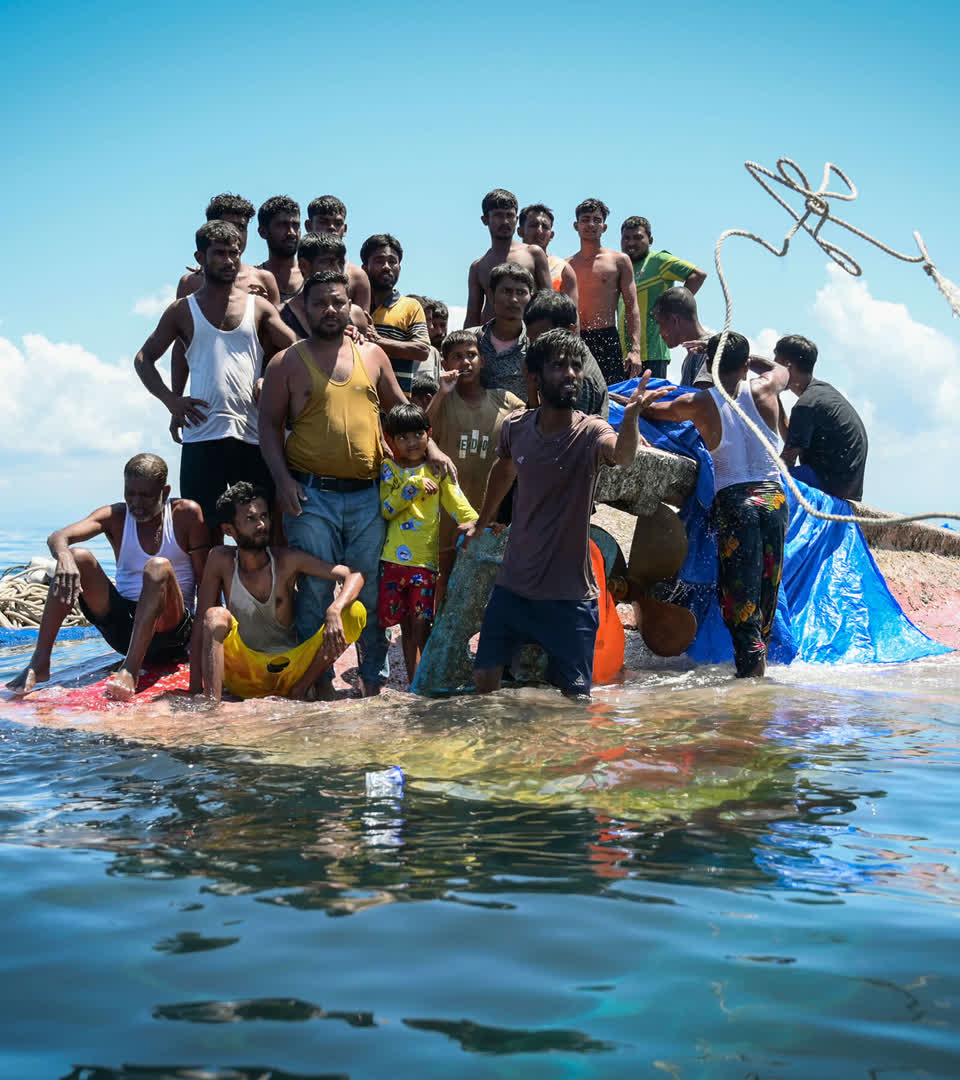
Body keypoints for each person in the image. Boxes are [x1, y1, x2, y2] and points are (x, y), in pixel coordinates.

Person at [257, 270, 456, 697]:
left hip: (369, 496)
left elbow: (404, 413)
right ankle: (320, 683)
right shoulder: (286, 362)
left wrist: (434, 450)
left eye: (337, 302)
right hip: (310, 496)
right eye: (319, 303)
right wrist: (282, 481)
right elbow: (269, 429)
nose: (329, 309)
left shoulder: (374, 356)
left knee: (369, 594)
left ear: (350, 306)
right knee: (313, 593)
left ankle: (373, 683)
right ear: (304, 310)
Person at [461, 330, 660, 697]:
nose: (570, 373)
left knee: (574, 706)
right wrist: (483, 519)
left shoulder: (591, 431)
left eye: (575, 366)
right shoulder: (516, 428)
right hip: (513, 588)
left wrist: (630, 419)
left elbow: (622, 455)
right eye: (558, 366)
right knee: (484, 685)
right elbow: (504, 469)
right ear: (535, 377)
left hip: (569, 597)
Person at [638, 332, 791, 677]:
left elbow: (656, 410)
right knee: (768, 585)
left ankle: (749, 675)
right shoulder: (766, 388)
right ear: (745, 364)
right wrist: (758, 363)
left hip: (736, 501)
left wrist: (634, 399)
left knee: (739, 593)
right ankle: (758, 670)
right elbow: (783, 369)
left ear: (709, 364)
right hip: (773, 497)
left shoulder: (700, 403)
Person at [134, 221, 297, 534]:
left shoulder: (259, 306)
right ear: (200, 257)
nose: (229, 261)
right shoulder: (182, 310)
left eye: (234, 253)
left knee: (259, 530)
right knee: (204, 531)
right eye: (219, 253)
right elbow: (144, 359)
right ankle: (207, 585)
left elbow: (296, 349)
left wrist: (268, 379)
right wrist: (171, 400)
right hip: (202, 437)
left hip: (251, 436)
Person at [6, 454, 207, 700]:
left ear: (164, 491)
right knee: (77, 556)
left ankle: (130, 670)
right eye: (130, 494)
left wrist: (202, 645)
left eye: (145, 495)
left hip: (170, 633)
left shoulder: (185, 514)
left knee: (157, 567)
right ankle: (39, 662)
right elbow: (58, 536)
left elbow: (204, 581)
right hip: (124, 632)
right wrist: (65, 558)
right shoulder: (116, 516)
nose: (136, 502)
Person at [191, 482, 366, 703]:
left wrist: (336, 607)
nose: (261, 524)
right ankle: (211, 705)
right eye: (251, 519)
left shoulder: (286, 560)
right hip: (243, 674)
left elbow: (354, 575)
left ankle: (301, 690)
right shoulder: (220, 559)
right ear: (229, 530)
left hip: (289, 671)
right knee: (214, 615)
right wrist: (193, 687)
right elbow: (201, 622)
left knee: (355, 612)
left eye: (264, 516)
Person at [379, 403, 478, 681]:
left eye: (417, 435)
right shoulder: (389, 469)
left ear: (429, 434)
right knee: (406, 628)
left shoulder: (436, 469)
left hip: (425, 563)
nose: (411, 442)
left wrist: (478, 523)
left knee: (422, 624)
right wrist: (413, 488)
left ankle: (426, 681)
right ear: (391, 439)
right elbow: (386, 508)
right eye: (403, 437)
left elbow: (459, 505)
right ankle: (414, 682)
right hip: (393, 562)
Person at [425, 329, 524, 597]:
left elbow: (535, 426)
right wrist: (442, 393)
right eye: (457, 357)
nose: (465, 362)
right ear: (445, 364)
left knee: (475, 588)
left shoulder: (506, 401)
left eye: (472, 355)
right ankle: (432, 638)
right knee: (440, 581)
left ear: (483, 360)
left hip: (485, 514)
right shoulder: (442, 400)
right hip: (442, 515)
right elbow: (420, 432)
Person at [777, 334, 868, 501]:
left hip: (827, 485)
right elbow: (794, 439)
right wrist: (774, 399)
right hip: (846, 487)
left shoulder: (805, 405)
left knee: (762, 481)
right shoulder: (820, 394)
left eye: (776, 365)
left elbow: (787, 461)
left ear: (787, 366)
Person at [617, 216, 707, 380]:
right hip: (624, 355)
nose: (631, 243)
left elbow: (698, 275)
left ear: (650, 240)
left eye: (638, 237)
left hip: (653, 354)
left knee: (652, 403)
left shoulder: (658, 260)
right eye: (626, 238)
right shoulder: (622, 266)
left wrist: (676, 307)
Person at [566, 198, 644, 383]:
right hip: (576, 338)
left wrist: (635, 350)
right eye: (585, 219)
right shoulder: (567, 265)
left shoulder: (619, 261)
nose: (591, 224)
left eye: (596, 219)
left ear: (604, 226)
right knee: (577, 394)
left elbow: (632, 307)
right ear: (576, 225)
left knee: (612, 395)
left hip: (606, 336)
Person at [466, 189, 552, 327]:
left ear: (516, 219)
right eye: (499, 215)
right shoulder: (478, 267)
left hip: (528, 338)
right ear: (485, 220)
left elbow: (550, 303)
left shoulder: (533, 254)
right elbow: (472, 317)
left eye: (510, 215)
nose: (505, 221)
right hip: (491, 342)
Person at [177, 193, 281, 305]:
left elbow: (275, 321)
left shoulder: (264, 280)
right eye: (229, 226)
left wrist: (263, 309)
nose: (236, 233)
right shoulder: (191, 283)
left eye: (241, 227)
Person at [360, 233, 431, 396]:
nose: (386, 266)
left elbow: (422, 350)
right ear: (364, 268)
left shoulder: (411, 307)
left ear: (399, 267)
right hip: (357, 401)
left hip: (396, 409)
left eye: (392, 261)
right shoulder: (353, 305)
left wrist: (378, 341)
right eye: (379, 261)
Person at [523, 289, 609, 419]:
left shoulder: (578, 379)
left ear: (570, 330)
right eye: (531, 340)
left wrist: (532, 392)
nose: (535, 347)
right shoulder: (557, 360)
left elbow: (557, 432)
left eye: (542, 337)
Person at [280, 232, 370, 339]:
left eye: (340, 263)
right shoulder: (280, 317)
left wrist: (351, 344)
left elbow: (365, 354)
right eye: (328, 262)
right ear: (304, 266)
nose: (337, 270)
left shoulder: (355, 315)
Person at [467, 262, 535, 402]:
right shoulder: (471, 341)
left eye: (521, 292)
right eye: (507, 291)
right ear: (491, 295)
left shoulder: (537, 344)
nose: (514, 299)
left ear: (531, 298)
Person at [304, 195, 371, 311]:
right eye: (323, 222)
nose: (331, 227)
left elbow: (363, 324)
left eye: (338, 223)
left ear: (345, 229)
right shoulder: (295, 271)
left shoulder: (357, 276)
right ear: (308, 226)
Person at [650, 287, 714, 388]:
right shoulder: (692, 356)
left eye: (660, 324)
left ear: (675, 320)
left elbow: (700, 400)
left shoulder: (709, 350)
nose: (659, 332)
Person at [518, 203, 579, 306]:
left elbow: (572, 313)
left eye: (545, 227)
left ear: (551, 235)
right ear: (520, 231)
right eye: (533, 225)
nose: (539, 231)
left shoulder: (563, 269)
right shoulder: (509, 263)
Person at [256, 195, 302, 302]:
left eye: (295, 225)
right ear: (263, 232)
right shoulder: (253, 278)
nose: (291, 233)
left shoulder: (312, 277)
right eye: (282, 225)